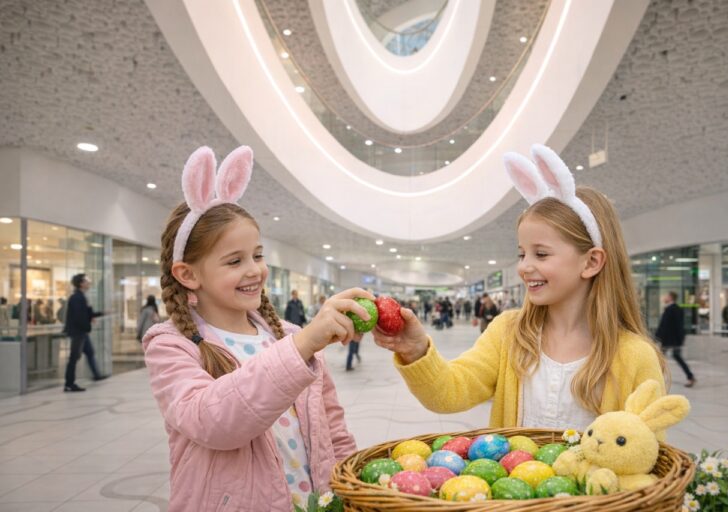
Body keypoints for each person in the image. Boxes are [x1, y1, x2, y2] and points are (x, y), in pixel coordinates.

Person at [373, 145, 667, 432]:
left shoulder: (635, 357)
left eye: (541, 254)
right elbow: (450, 392)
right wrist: (416, 350)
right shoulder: (508, 333)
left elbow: (648, 456)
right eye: (521, 253)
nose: (524, 267)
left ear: (591, 262)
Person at [141, 146, 364, 511]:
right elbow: (214, 421)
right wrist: (304, 343)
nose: (255, 270)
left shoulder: (288, 336)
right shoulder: (171, 346)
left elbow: (333, 431)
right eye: (235, 260)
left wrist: (350, 491)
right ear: (188, 274)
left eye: (258, 255)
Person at [63, 273, 107, 391]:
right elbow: (79, 317)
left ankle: (96, 375)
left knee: (90, 352)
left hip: (82, 332)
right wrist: (87, 325)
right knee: (74, 357)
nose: (89, 283)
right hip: (78, 332)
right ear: (81, 283)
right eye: (86, 281)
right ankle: (69, 384)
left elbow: (87, 314)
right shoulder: (76, 297)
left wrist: (101, 313)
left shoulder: (82, 297)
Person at [655, 292, 695, 387]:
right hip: (672, 339)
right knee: (674, 357)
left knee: (660, 359)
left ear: (671, 297)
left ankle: (655, 378)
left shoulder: (671, 309)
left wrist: (658, 337)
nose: (665, 297)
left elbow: (666, 326)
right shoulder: (675, 308)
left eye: (667, 296)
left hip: (669, 339)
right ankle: (690, 376)